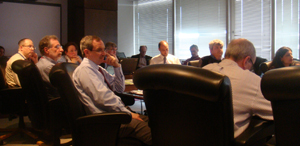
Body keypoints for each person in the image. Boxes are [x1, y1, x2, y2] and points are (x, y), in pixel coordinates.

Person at [72, 35, 152, 145]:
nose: (104, 53)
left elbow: (119, 88)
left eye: (104, 49)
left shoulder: (98, 69)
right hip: (108, 121)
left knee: (155, 123)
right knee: (153, 134)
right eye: (99, 50)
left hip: (116, 114)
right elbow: (104, 99)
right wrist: (127, 113)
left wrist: (117, 66)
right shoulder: (85, 70)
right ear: (87, 52)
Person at [203, 38, 273, 138]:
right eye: (251, 65)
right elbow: (277, 112)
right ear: (247, 60)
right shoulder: (251, 80)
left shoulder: (206, 69)